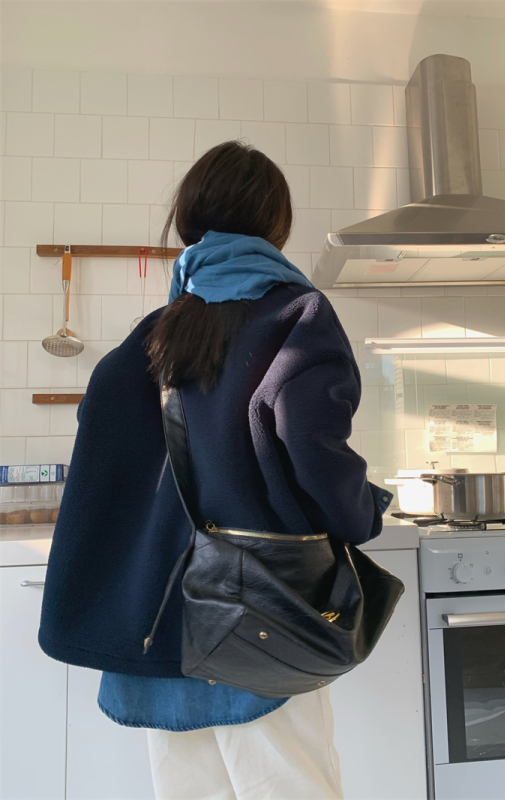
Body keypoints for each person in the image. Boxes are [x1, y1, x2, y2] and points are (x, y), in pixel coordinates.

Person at [39, 141, 391, 800]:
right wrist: (364, 509)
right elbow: (313, 448)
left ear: (186, 221)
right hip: (255, 616)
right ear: (276, 225)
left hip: (158, 617)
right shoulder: (297, 314)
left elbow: (104, 454)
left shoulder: (152, 335)